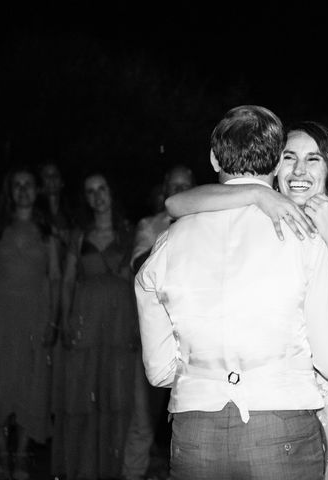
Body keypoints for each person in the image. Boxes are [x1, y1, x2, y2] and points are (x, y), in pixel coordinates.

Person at [137, 106, 328, 480]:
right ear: (275, 165)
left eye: (313, 160)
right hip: (286, 413)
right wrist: (258, 197)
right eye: (289, 158)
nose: (299, 171)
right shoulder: (296, 232)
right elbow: (176, 203)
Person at [52, 172, 138, 480]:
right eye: (90, 191)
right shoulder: (78, 235)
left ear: (111, 192)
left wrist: (135, 328)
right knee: (83, 397)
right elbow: (66, 282)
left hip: (117, 323)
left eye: (102, 188)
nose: (97, 196)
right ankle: (82, 470)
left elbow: (134, 284)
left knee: (114, 399)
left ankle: (109, 471)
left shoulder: (129, 233)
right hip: (86, 322)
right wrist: (64, 322)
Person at [121, 164, 195, 480]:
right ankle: (132, 474)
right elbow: (139, 264)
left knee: (187, 413)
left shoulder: (204, 222)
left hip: (194, 336)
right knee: (144, 416)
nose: (178, 192)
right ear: (164, 189)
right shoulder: (149, 224)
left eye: (185, 186)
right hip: (156, 337)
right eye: (173, 186)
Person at [0, 167, 60, 480]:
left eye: (28, 184)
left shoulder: (48, 232)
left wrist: (53, 321)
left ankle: (20, 456)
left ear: (36, 190)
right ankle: (2, 457)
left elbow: (56, 278)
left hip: (34, 318)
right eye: (16, 185)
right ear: (10, 191)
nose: (22, 190)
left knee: (29, 387)